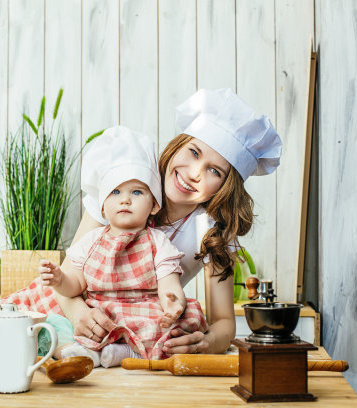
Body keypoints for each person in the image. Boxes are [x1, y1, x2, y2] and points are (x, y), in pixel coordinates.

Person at [55, 88, 282, 356]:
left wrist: (205, 344)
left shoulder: (212, 230)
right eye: (194, 152)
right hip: (75, 318)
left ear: (225, 186)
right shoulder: (126, 180)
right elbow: (66, 277)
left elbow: (223, 323)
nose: (194, 173)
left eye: (214, 171)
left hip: (137, 332)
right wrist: (77, 312)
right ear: (178, 145)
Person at [39, 127, 207, 367]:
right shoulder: (92, 240)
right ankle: (78, 352)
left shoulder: (157, 241)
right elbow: (75, 283)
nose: (125, 199)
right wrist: (59, 280)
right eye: (115, 192)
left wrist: (173, 300)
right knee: (56, 321)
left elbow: (168, 281)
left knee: (177, 320)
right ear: (103, 208)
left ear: (154, 206)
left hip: (142, 309)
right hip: (101, 309)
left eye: (137, 192)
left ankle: (127, 352)